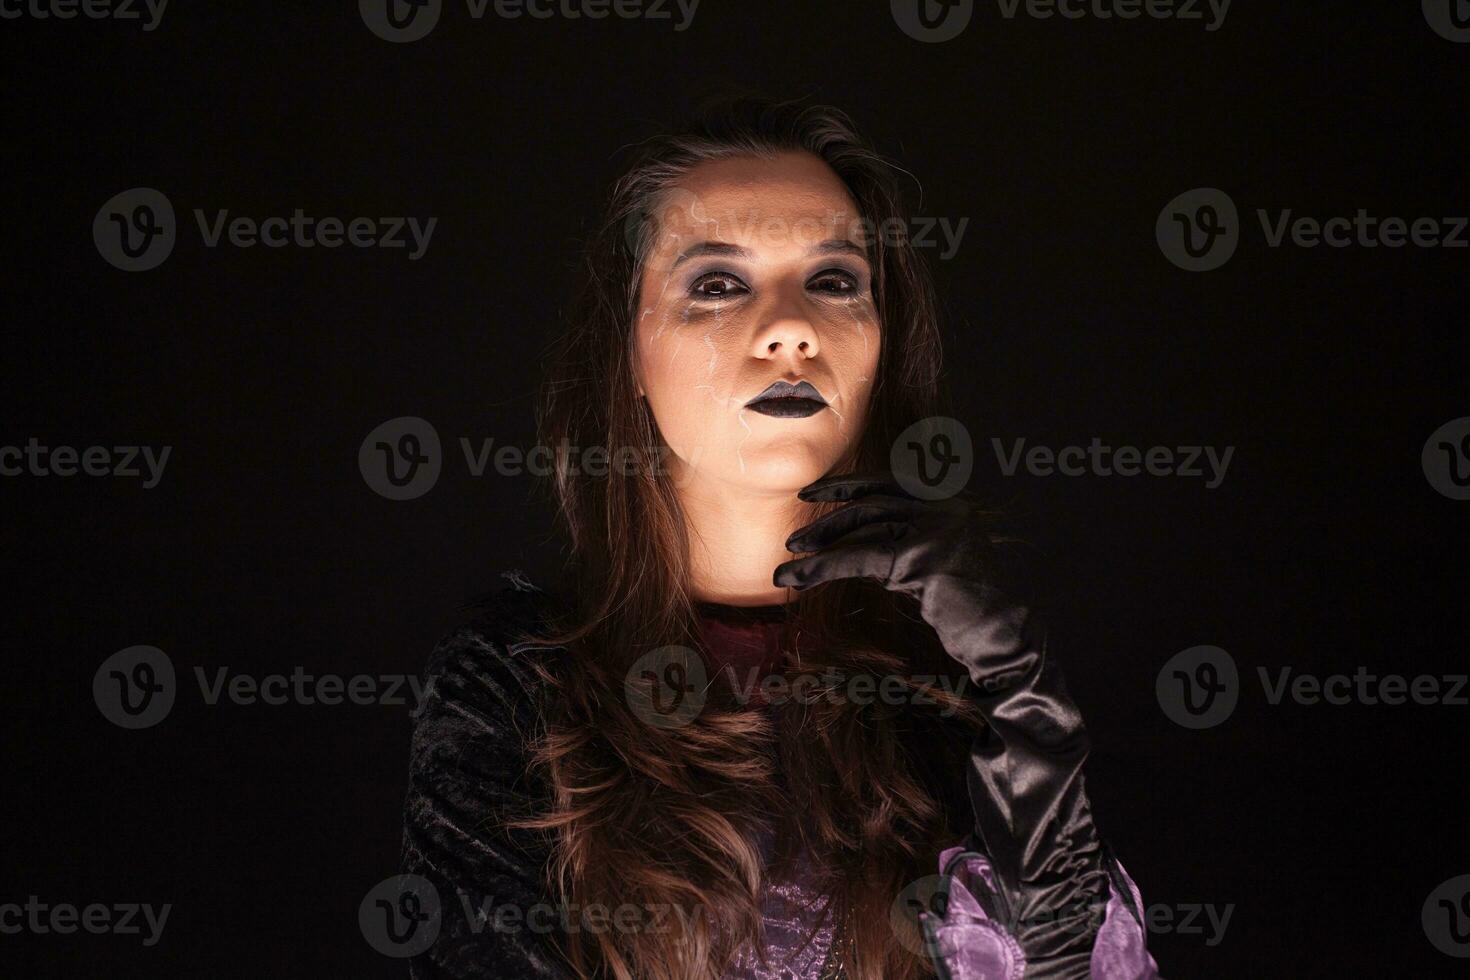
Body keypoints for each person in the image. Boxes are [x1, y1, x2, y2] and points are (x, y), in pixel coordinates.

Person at [401, 97, 1161, 979]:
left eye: (834, 281)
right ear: (630, 352)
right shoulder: (515, 685)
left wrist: (1022, 694)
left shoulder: (952, 683)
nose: (791, 328)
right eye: (717, 285)